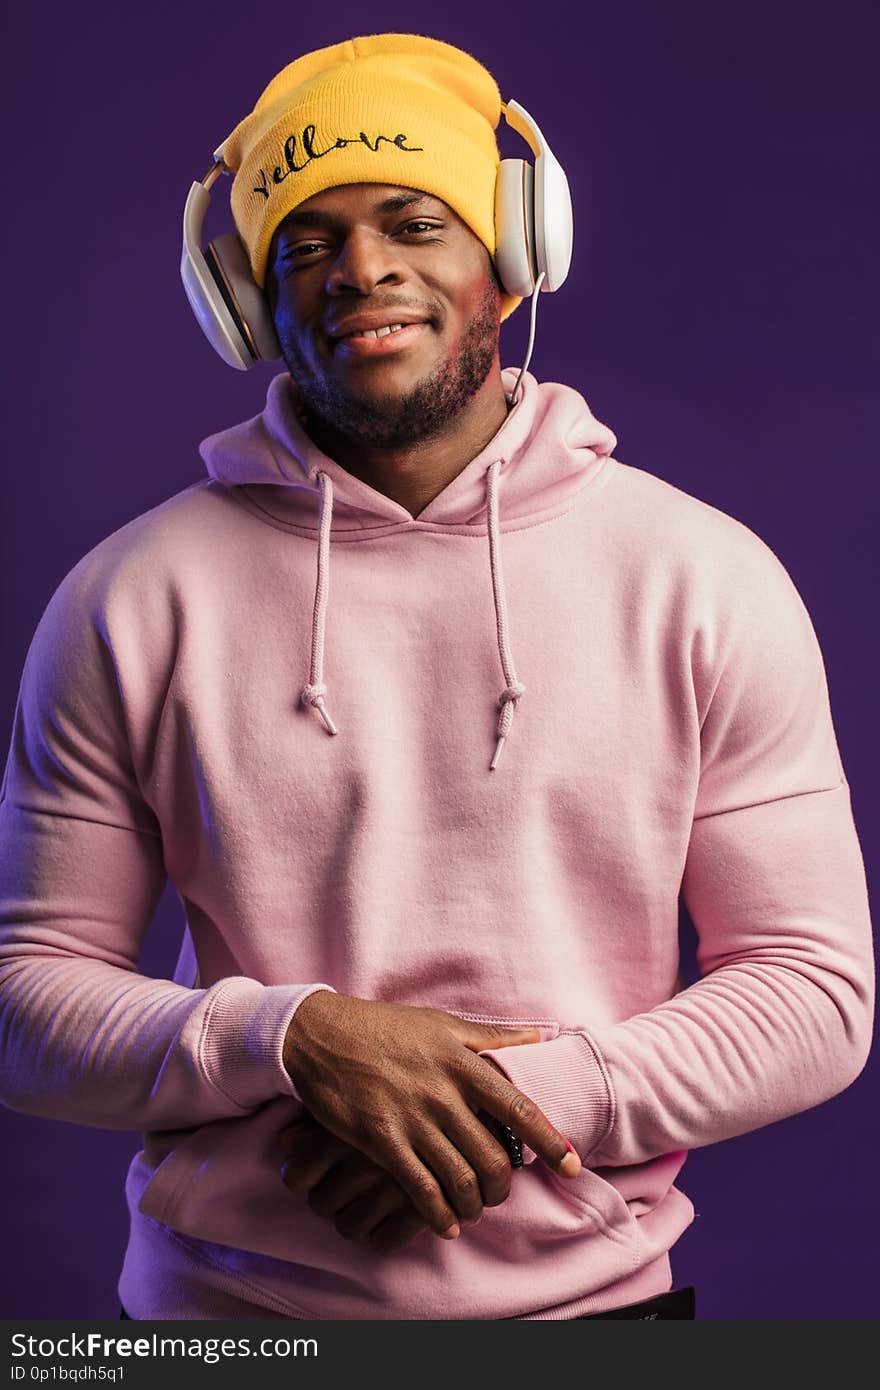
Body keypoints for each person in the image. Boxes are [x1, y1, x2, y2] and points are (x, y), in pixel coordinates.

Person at [0, 32, 873, 1324]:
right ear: (244, 299)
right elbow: (25, 999)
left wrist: (522, 1103)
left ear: (512, 264)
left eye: (414, 219)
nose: (362, 269)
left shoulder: (702, 578)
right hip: (220, 1330)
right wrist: (292, 1041)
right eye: (306, 241)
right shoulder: (128, 600)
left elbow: (816, 988)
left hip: (596, 1320)